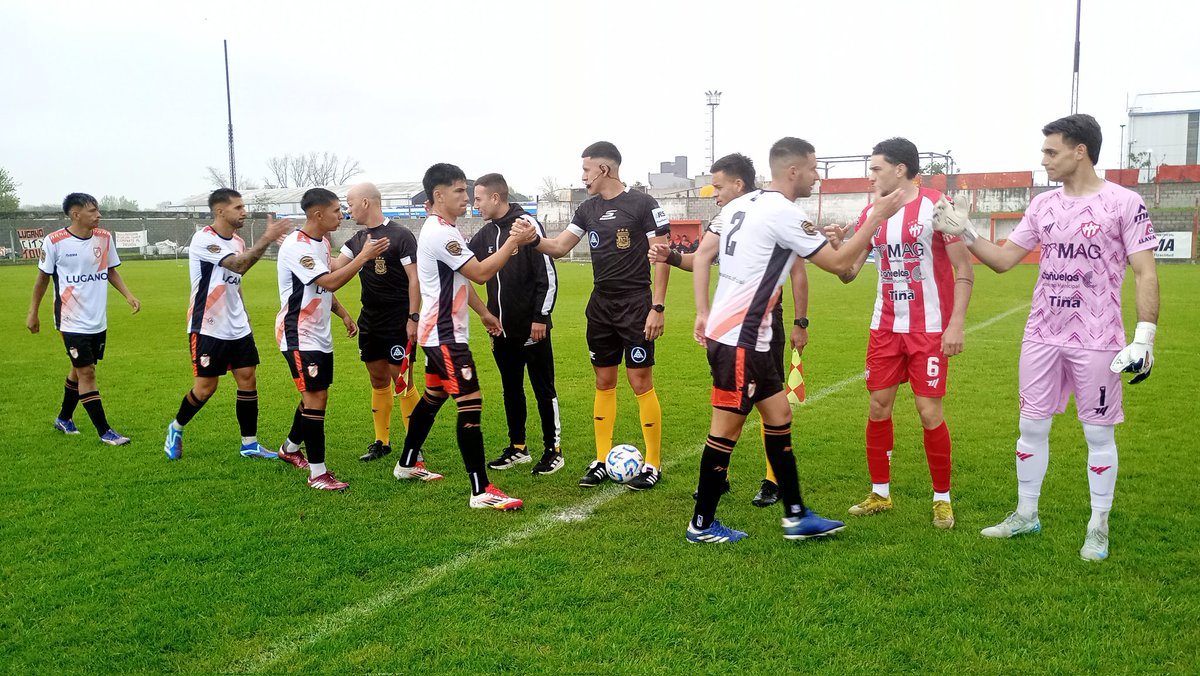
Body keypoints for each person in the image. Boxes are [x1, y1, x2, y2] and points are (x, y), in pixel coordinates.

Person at [932, 113, 1159, 560]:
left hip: (1097, 337)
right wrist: (967, 232)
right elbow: (1001, 260)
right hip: (1041, 334)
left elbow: (1145, 271)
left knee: (1098, 433)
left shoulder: (1124, 203)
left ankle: (1098, 525)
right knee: (1030, 426)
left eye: (1051, 151)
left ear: (1080, 151)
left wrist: (1144, 337)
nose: (1044, 160)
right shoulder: (1042, 206)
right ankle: (1026, 514)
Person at [688, 136, 908, 543]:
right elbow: (840, 264)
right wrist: (875, 217)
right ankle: (701, 524)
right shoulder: (782, 212)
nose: (817, 176)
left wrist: (704, 311)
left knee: (779, 417)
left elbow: (704, 254)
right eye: (813, 168)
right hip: (740, 338)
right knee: (725, 431)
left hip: (746, 336)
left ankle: (794, 514)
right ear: (793, 171)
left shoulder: (741, 204)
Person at [823, 138, 974, 529]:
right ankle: (880, 493)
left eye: (876, 168)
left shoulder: (937, 206)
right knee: (878, 407)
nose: (870, 175)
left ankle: (942, 499)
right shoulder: (871, 211)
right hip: (885, 326)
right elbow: (849, 273)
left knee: (928, 412)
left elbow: (964, 270)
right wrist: (839, 247)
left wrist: (955, 323)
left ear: (901, 169)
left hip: (928, 328)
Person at [649, 153, 812, 507]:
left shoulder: (773, 214)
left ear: (739, 184)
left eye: (718, 186)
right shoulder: (730, 215)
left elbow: (798, 272)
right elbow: (701, 257)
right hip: (738, 330)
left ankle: (774, 486)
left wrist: (801, 321)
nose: (713, 194)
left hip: (763, 324)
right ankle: (719, 497)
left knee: (768, 411)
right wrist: (672, 257)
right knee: (746, 412)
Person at [391, 163, 536, 510]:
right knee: (470, 404)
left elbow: (461, 279)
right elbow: (482, 273)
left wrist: (484, 313)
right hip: (444, 335)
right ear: (438, 195)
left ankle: (407, 463)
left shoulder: (444, 229)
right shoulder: (442, 233)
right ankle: (481, 490)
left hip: (437, 332)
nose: (466, 197)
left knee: (433, 398)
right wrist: (514, 241)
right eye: (458, 190)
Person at [533, 141, 671, 490]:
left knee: (640, 382)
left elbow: (662, 256)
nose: (583, 177)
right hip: (600, 306)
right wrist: (530, 240)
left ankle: (652, 464)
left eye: (586, 170)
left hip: (637, 305)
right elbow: (560, 248)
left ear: (604, 170)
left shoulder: (643, 204)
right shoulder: (587, 209)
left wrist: (657, 307)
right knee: (603, 381)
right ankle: (601, 458)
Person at [163, 188, 292, 460]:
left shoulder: (237, 240)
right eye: (238, 207)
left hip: (237, 326)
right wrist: (267, 238)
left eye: (244, 206)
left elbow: (236, 282)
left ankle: (249, 444)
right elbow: (238, 266)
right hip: (208, 325)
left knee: (248, 380)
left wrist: (243, 315)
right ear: (220, 211)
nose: (244, 211)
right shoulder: (203, 239)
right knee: (206, 388)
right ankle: (176, 428)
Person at [273, 188, 388, 491]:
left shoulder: (322, 242)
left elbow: (325, 284)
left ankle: (289, 448)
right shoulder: (298, 247)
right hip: (298, 334)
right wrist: (363, 257)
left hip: (318, 333)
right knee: (316, 398)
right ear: (317, 214)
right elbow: (330, 280)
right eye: (337, 210)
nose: (342, 215)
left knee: (313, 395)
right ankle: (318, 473)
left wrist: (344, 314)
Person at [468, 173, 564, 475]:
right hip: (500, 330)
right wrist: (486, 314)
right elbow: (466, 269)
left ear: (496, 197)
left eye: (479, 198)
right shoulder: (484, 236)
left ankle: (554, 449)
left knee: (543, 388)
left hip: (531, 327)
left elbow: (547, 275)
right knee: (511, 389)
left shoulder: (526, 226)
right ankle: (518, 447)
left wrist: (541, 317)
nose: (475, 205)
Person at [26, 192, 140, 445]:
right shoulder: (54, 241)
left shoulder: (104, 238)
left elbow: (110, 271)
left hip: (97, 319)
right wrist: (33, 312)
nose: (98, 215)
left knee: (79, 370)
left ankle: (64, 419)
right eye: (92, 211)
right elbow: (43, 278)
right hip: (70, 319)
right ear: (76, 214)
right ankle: (105, 432)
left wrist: (129, 296)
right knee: (87, 372)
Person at [333, 182, 422, 463]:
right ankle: (381, 442)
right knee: (378, 378)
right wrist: (312, 242)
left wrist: (413, 317)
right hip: (370, 319)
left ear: (366, 203)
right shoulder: (358, 239)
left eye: (350, 204)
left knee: (402, 381)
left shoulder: (400, 235)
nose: (348, 210)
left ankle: (414, 445)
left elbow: (414, 279)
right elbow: (336, 267)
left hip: (398, 320)